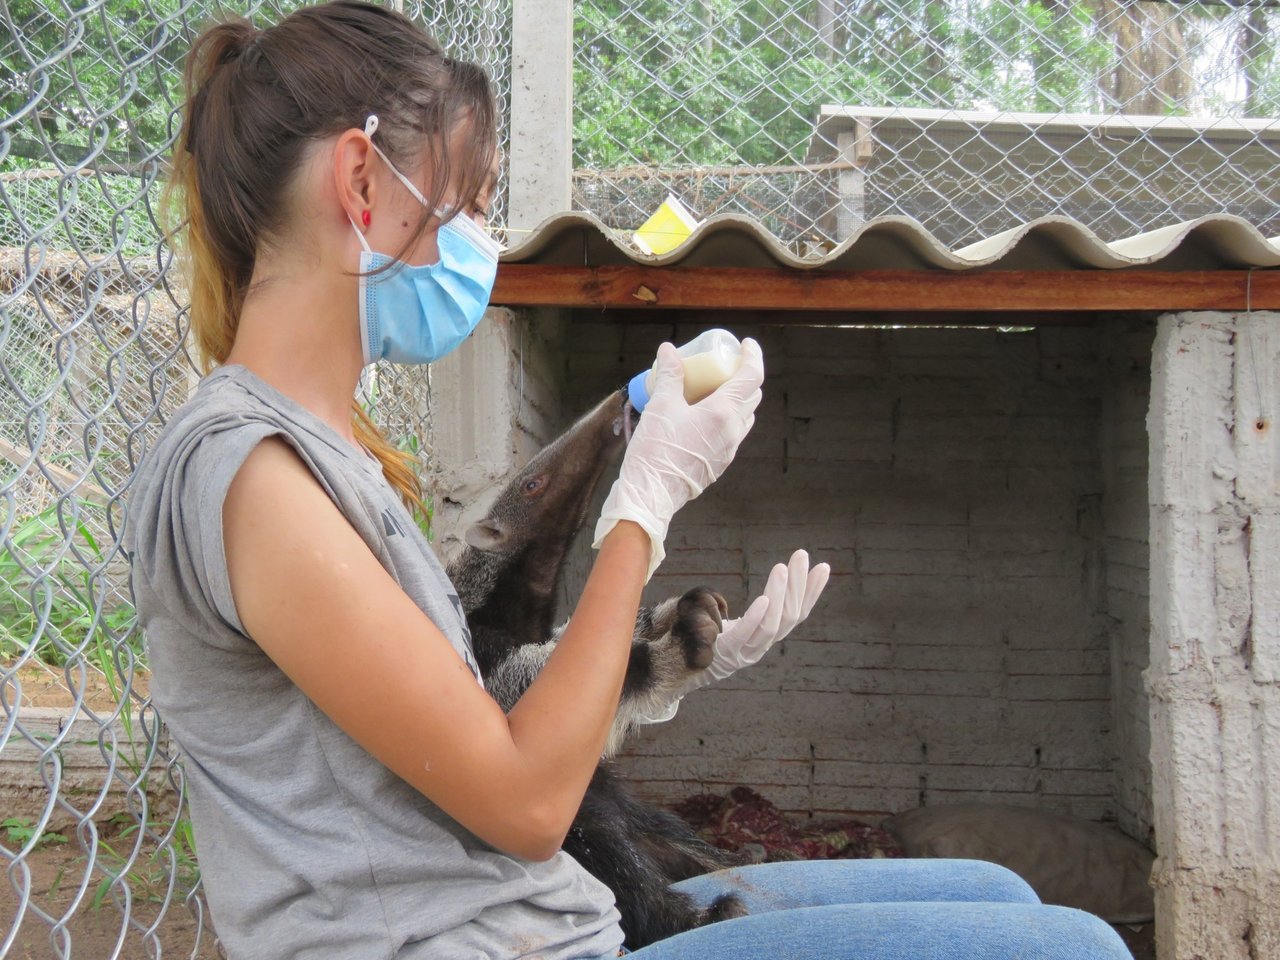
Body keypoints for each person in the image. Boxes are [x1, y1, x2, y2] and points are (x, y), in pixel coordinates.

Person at [124, 3, 1135, 959]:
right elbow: (522, 804)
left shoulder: (323, 454)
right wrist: (640, 508)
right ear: (360, 183)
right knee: (1079, 946)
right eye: (464, 205)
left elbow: (461, 722)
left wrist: (663, 665)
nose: (476, 241)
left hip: (529, 915)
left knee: (997, 895)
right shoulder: (255, 477)